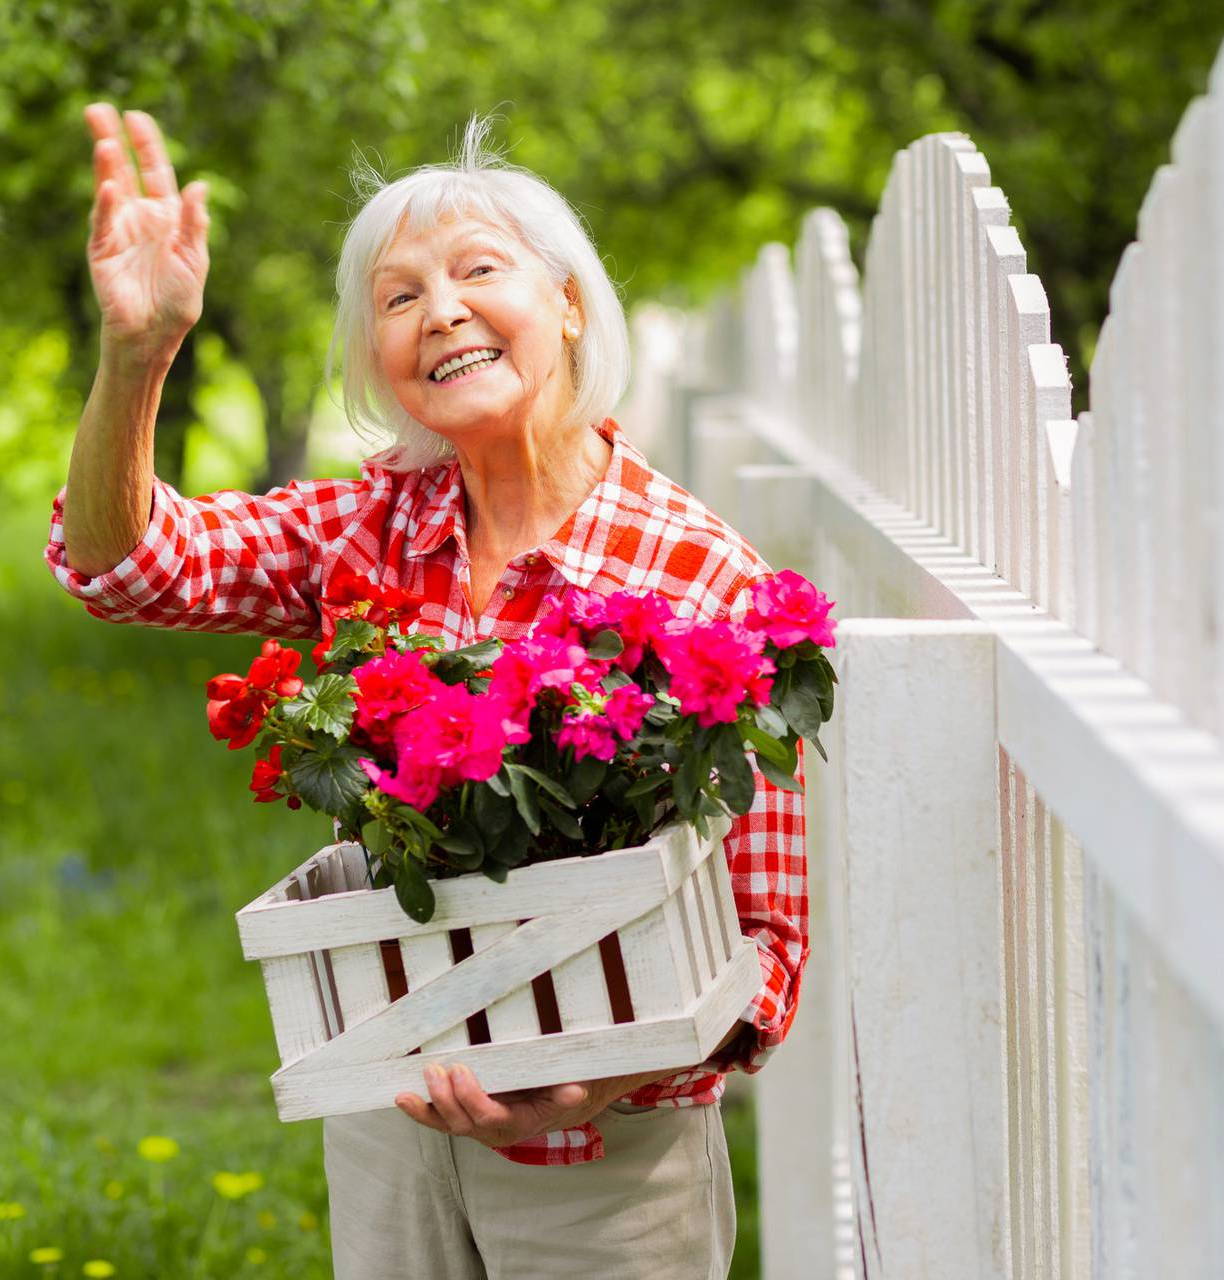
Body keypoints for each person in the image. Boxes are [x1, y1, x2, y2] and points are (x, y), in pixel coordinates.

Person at [45, 102, 807, 1279]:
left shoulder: (698, 571)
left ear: (566, 301)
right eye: (398, 297)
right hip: (393, 1103)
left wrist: (585, 1078)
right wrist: (138, 356)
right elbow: (130, 564)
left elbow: (765, 936)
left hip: (606, 1153)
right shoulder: (368, 524)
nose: (439, 309)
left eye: (476, 270)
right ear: (380, 358)